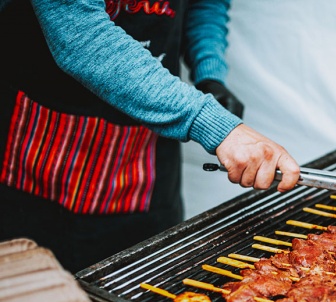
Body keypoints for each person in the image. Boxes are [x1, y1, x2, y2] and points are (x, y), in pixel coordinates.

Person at [0, 0, 300, 273]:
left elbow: (205, 4)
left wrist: (209, 72)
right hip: (35, 147)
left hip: (143, 163)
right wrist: (212, 123)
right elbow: (82, 36)